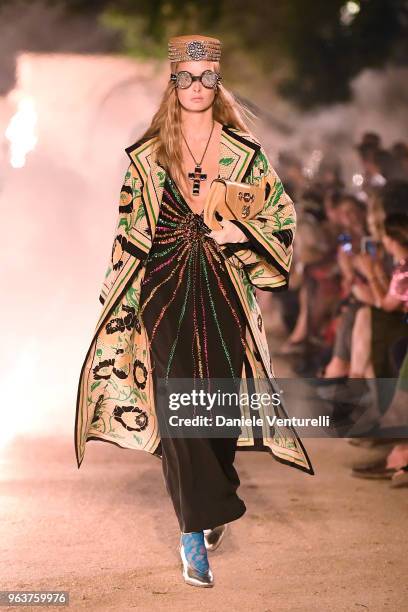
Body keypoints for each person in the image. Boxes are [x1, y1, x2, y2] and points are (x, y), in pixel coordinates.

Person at [75, 33, 314, 589]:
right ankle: (192, 532)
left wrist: (239, 231)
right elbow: (129, 226)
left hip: (225, 291)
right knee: (177, 404)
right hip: (163, 290)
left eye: (208, 76)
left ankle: (214, 493)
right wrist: (117, 291)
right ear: (174, 82)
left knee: (218, 408)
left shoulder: (244, 153)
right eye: (188, 76)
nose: (199, 86)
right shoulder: (148, 153)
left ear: (218, 81)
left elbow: (281, 214)